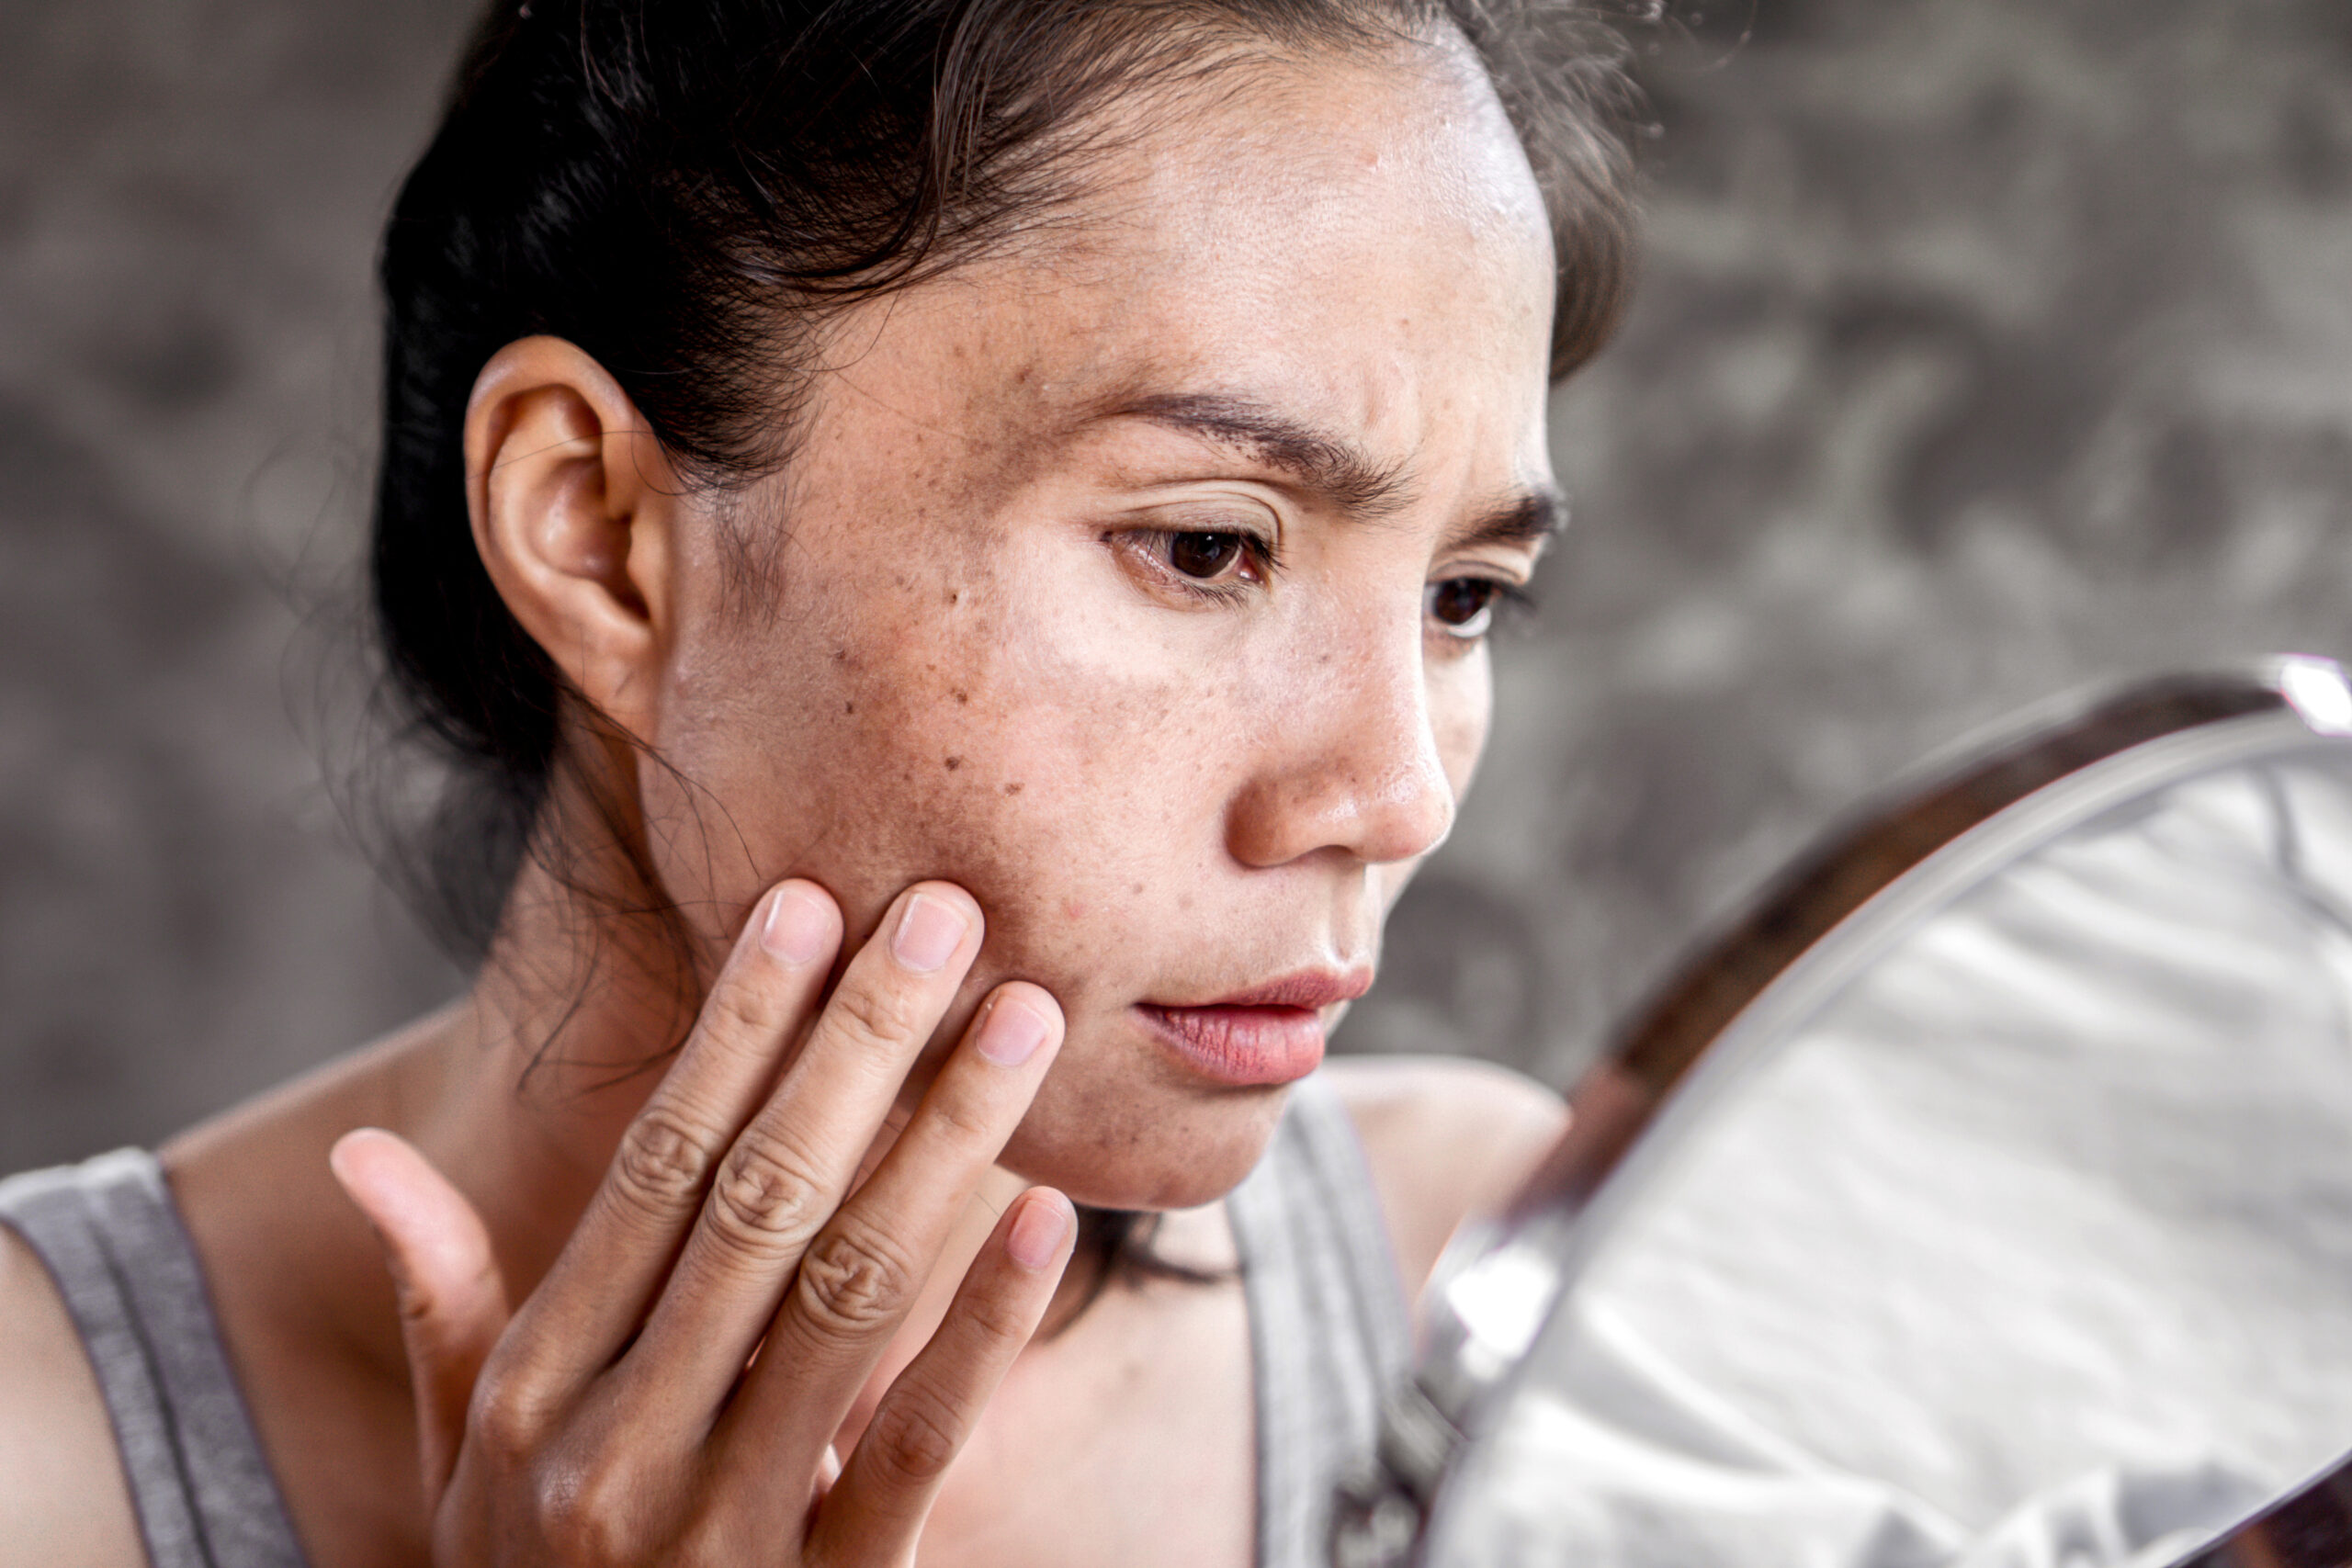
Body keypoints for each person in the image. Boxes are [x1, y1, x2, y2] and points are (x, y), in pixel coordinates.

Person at [0, 0, 1638, 1562]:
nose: (1397, 793)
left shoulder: (1498, 1305)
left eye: (1462, 596)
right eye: (1205, 546)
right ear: (601, 537)